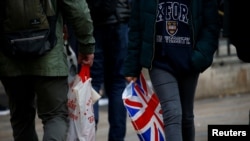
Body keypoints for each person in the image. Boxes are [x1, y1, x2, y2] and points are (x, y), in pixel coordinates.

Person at [122, 0, 220, 141]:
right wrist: (132, 66)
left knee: (186, 117)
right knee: (172, 113)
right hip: (160, 63)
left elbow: (211, 25)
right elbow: (137, 26)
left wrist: (200, 56)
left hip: (190, 62)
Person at [0, 0, 95, 141]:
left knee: (21, 118)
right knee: (55, 116)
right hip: (50, 56)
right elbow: (78, 9)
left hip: (10, 57)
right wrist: (87, 45)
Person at [86, 0, 131, 140]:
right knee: (117, 84)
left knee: (92, 84)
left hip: (92, 23)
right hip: (119, 21)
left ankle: (88, 135)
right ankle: (117, 138)